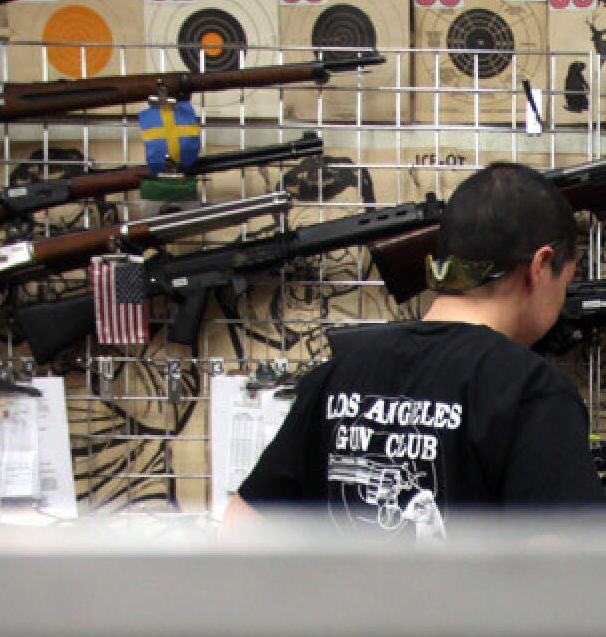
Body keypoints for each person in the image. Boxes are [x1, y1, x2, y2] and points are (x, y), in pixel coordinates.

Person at [225, 162, 605, 540]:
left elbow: (242, 527)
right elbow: (571, 574)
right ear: (539, 267)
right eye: (565, 281)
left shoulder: (337, 375)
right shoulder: (531, 391)